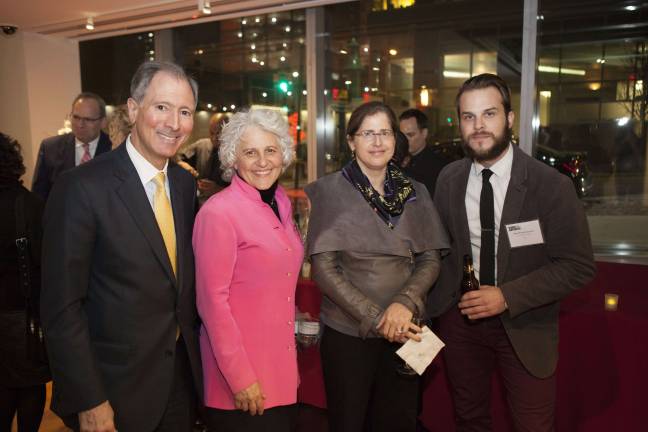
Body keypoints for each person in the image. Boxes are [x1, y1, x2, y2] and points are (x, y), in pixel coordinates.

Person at [428, 73, 596, 431]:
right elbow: (441, 251)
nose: (478, 126)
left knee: (532, 425)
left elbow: (577, 266)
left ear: (509, 117)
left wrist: (506, 296)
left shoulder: (550, 185)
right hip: (461, 322)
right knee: (469, 419)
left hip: (526, 324)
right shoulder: (449, 179)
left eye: (489, 114)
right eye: (469, 116)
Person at [41, 61, 203, 432]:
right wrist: (89, 399)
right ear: (133, 110)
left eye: (185, 112)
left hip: (179, 380)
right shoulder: (81, 187)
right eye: (161, 107)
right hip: (113, 390)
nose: (174, 123)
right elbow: (62, 307)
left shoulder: (183, 185)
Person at [306, 101, 449, 432]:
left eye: (384, 132)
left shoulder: (416, 192)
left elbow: (430, 258)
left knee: (400, 419)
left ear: (395, 139)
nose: (377, 141)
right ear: (351, 141)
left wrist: (404, 303)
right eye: (367, 133)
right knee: (349, 421)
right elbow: (323, 269)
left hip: (408, 327)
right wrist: (377, 317)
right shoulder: (329, 191)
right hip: (349, 331)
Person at [193, 108, 303, 431]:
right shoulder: (219, 213)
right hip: (241, 383)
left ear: (283, 154)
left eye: (270, 150)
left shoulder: (281, 202)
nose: (262, 161)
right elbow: (212, 304)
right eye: (250, 152)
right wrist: (240, 378)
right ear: (233, 159)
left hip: (281, 371)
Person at [0, 133, 50, 432]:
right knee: (30, 386)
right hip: (25, 317)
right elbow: (47, 264)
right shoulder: (32, 205)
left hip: (13, 317)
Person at [32, 92, 113, 200]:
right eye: (76, 117)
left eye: (88, 120)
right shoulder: (50, 148)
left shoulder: (114, 148)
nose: (80, 124)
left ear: (103, 122)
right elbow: (38, 197)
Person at [180, 113, 230, 203]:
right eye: (212, 133)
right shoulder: (202, 145)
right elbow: (177, 157)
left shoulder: (237, 154)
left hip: (225, 205)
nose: (214, 138)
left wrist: (218, 190)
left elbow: (244, 194)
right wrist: (183, 165)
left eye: (219, 133)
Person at [399, 108, 449, 197]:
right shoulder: (398, 161)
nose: (405, 140)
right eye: (402, 135)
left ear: (424, 133)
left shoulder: (439, 166)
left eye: (410, 135)